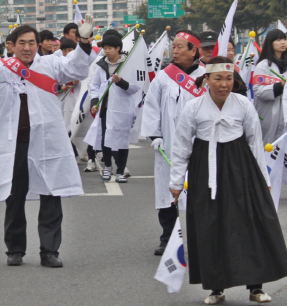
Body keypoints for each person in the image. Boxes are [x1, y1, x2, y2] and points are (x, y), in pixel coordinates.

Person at [0, 15, 95, 268]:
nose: (27, 47)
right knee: (14, 195)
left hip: (46, 141)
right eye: (22, 42)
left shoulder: (51, 64)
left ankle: (50, 251)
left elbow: (76, 68)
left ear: (37, 44)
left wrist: (84, 42)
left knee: (51, 193)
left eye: (32, 42)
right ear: (12, 45)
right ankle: (15, 250)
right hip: (14, 144)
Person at [170, 56, 287, 305]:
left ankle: (255, 287)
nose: (224, 84)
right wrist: (176, 182)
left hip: (241, 169)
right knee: (209, 225)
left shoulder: (243, 104)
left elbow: (255, 143)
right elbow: (181, 147)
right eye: (218, 79)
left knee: (249, 224)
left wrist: (263, 179)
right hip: (206, 170)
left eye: (229, 78)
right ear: (206, 80)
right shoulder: (193, 108)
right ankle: (216, 288)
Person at [141, 29, 206, 256]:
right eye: (174, 46)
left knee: (199, 190)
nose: (175, 51)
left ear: (194, 51)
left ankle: (202, 239)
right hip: (168, 144)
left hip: (199, 144)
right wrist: (155, 135)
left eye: (180, 47)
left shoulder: (206, 77)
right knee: (168, 191)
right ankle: (168, 237)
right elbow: (151, 107)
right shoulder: (163, 76)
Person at [87, 31, 137, 183]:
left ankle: (121, 170)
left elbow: (135, 88)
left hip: (122, 109)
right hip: (105, 109)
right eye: (105, 48)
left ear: (118, 48)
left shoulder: (127, 65)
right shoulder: (101, 65)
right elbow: (94, 86)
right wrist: (94, 102)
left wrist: (121, 82)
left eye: (110, 48)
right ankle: (107, 167)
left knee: (122, 140)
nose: (107, 51)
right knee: (105, 139)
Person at [254, 28, 287, 144]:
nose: (283, 42)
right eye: (278, 40)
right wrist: (281, 86)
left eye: (284, 39)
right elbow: (258, 91)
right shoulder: (263, 66)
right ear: (270, 43)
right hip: (268, 116)